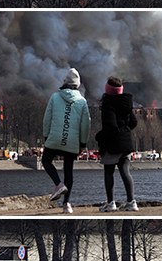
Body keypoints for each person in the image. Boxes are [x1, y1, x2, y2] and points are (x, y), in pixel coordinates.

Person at [42, 68, 91, 214]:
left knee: (46, 160)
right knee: (68, 170)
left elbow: (47, 119)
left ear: (65, 82)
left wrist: (46, 137)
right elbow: (86, 125)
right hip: (72, 142)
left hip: (55, 139)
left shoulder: (54, 97)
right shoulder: (82, 101)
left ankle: (58, 184)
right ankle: (67, 204)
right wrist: (82, 143)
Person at [96, 76, 139, 212]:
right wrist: (124, 131)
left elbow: (111, 127)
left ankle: (110, 203)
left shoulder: (108, 104)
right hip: (126, 143)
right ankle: (131, 202)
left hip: (112, 144)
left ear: (108, 89)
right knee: (125, 172)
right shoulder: (126, 103)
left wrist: (99, 137)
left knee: (109, 173)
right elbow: (133, 122)